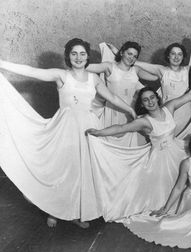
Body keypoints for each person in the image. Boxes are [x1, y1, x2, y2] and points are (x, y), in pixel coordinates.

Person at [0, 38, 135, 228]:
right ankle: (54, 210)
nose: (78, 58)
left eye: (82, 54)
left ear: (88, 56)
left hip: (88, 128)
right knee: (61, 169)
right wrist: (2, 64)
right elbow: (32, 72)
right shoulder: (61, 75)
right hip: (65, 129)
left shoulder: (94, 78)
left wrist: (130, 110)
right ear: (68, 56)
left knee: (82, 171)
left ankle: (78, 213)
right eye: (74, 53)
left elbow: (112, 97)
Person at [85, 72, 191, 221]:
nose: (150, 102)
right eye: (145, 100)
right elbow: (120, 128)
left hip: (177, 151)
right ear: (142, 104)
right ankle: (165, 208)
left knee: (185, 180)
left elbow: (190, 95)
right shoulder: (144, 121)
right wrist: (99, 132)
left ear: (157, 98)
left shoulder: (169, 107)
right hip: (160, 159)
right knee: (166, 188)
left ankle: (188, 206)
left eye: (152, 98)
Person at [86, 41, 157, 146]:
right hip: (112, 111)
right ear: (122, 52)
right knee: (109, 143)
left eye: (135, 56)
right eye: (129, 54)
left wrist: (134, 62)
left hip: (129, 113)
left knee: (127, 145)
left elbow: (155, 76)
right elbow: (86, 67)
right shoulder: (109, 67)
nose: (131, 58)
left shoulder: (136, 70)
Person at [132, 43, 191, 135]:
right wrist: (118, 53)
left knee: (183, 137)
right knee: (165, 137)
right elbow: (136, 63)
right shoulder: (162, 70)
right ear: (168, 56)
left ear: (183, 56)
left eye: (179, 54)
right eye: (173, 54)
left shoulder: (188, 70)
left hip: (185, 112)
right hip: (168, 110)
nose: (176, 57)